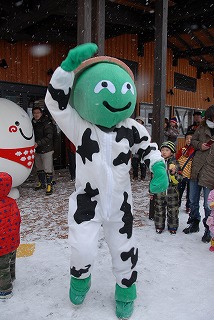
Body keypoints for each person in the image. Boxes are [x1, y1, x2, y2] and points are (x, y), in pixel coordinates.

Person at [45, 43, 169, 319]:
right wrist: (66, 69)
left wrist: (158, 168)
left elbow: (149, 147)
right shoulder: (79, 126)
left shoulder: (131, 127)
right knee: (82, 248)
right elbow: (54, 103)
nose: (118, 96)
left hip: (120, 206)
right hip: (86, 202)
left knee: (124, 249)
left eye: (126, 89)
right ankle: (80, 278)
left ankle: (126, 291)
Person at [183, 105, 214, 243]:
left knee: (208, 204)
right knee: (193, 200)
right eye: (209, 117)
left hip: (211, 170)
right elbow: (193, 142)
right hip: (197, 167)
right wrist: (200, 145)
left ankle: (209, 229)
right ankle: (194, 223)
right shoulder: (201, 127)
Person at [153, 141, 183, 234]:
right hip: (160, 191)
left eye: (167, 150)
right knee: (159, 210)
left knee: (173, 210)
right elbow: (154, 178)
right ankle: (159, 226)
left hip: (172, 191)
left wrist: (173, 173)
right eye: (162, 150)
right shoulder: (158, 163)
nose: (164, 152)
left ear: (172, 152)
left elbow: (179, 178)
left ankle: (172, 227)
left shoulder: (175, 163)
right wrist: (151, 190)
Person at [0, 172, 21, 299]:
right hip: (12, 241)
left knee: (2, 269)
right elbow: (17, 219)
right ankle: (12, 277)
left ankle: (5, 290)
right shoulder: (11, 202)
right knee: (11, 261)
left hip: (1, 246)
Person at [32, 106, 55, 195]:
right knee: (39, 167)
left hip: (46, 149)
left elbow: (49, 136)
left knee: (47, 168)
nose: (36, 114)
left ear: (41, 113)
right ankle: (42, 182)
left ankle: (49, 185)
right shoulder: (33, 122)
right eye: (34, 113)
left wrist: (39, 143)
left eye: (38, 113)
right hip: (37, 149)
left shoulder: (46, 122)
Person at [176, 131, 195, 213]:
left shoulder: (195, 150)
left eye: (191, 139)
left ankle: (188, 206)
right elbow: (177, 158)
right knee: (179, 190)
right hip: (182, 173)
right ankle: (177, 204)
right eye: (187, 138)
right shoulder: (182, 149)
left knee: (190, 192)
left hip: (191, 174)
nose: (189, 140)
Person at [131, 116, 147, 180]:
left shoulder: (144, 129)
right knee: (134, 163)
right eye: (137, 120)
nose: (138, 122)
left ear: (142, 122)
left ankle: (143, 176)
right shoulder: (133, 129)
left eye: (139, 121)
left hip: (143, 148)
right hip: (135, 149)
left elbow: (147, 138)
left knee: (142, 163)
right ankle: (135, 176)